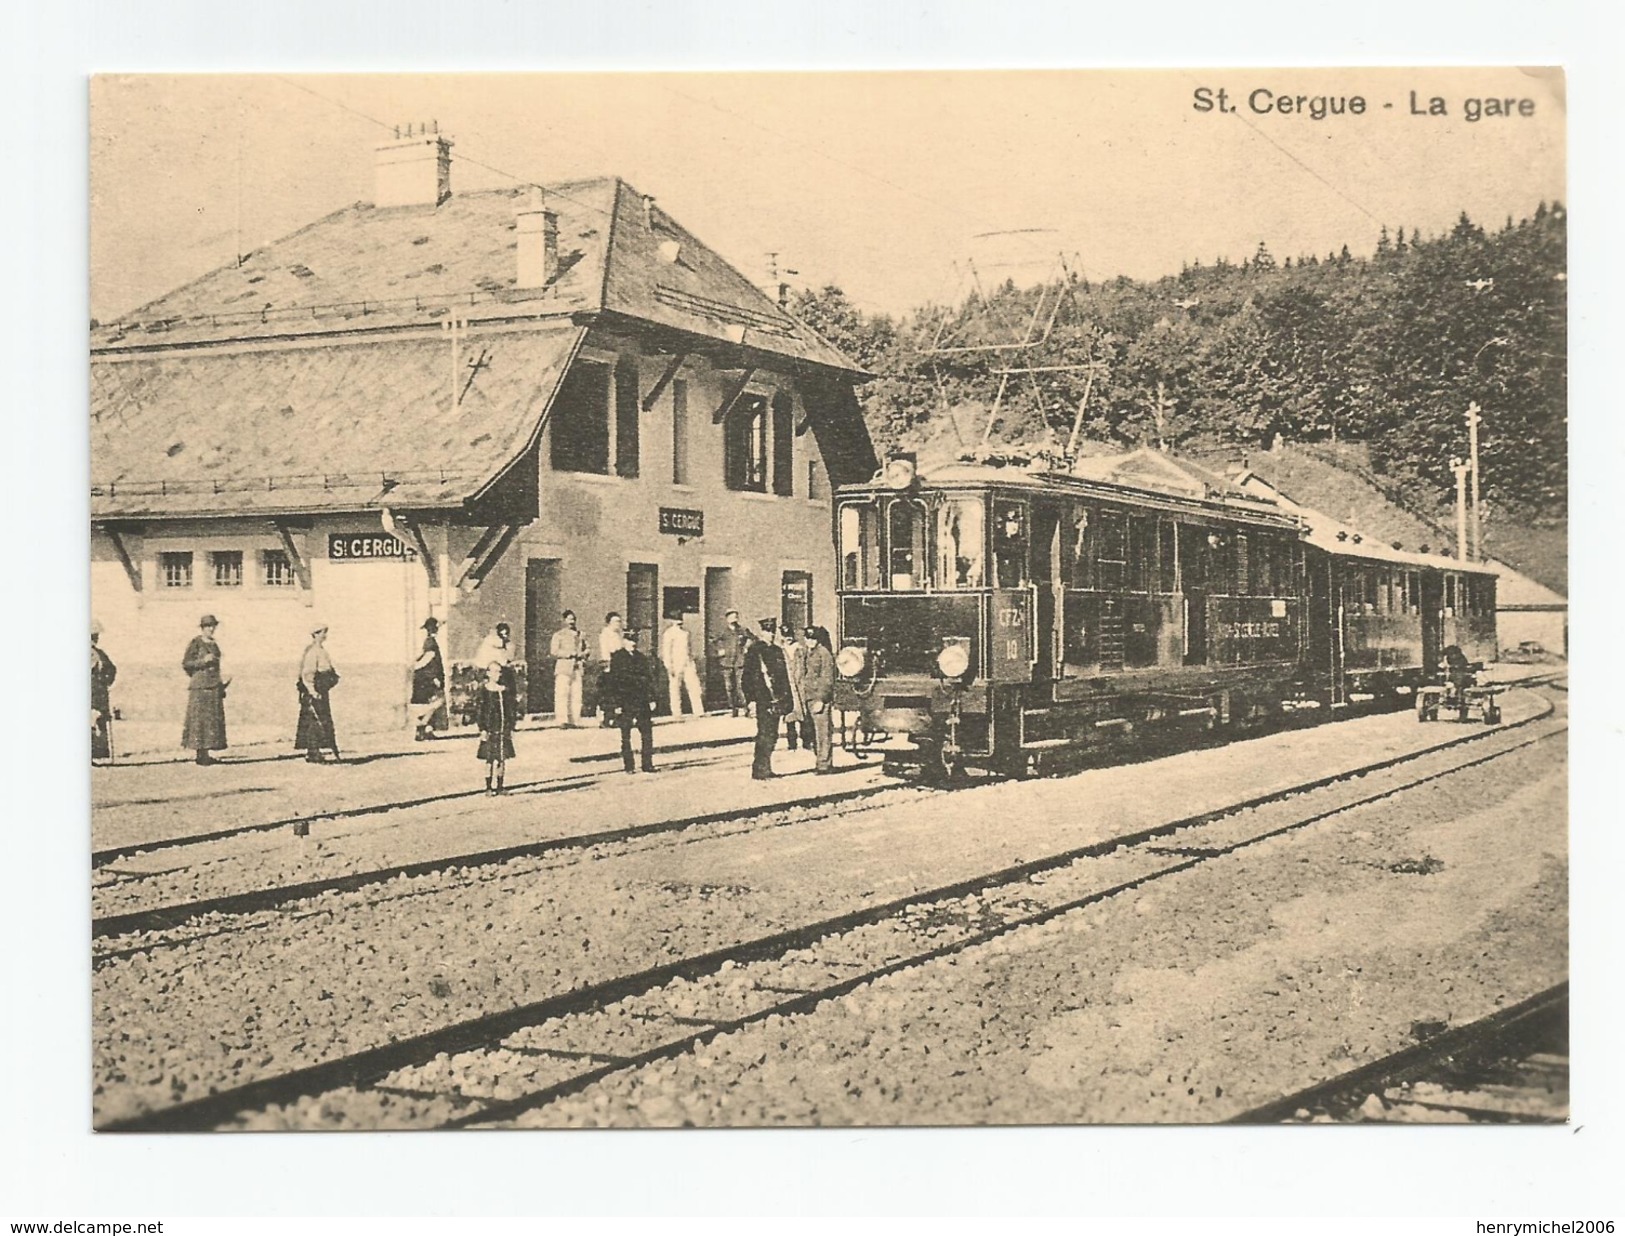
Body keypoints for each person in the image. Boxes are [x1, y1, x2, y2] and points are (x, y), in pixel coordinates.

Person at [741, 617, 793, 779]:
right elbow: (746, 678)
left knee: (773, 734)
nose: (770, 634)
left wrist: (786, 698)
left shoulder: (777, 650)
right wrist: (751, 700)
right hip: (762, 698)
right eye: (767, 631)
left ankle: (767, 767)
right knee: (764, 734)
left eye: (772, 631)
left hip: (776, 698)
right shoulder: (755, 650)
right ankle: (759, 769)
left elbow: (784, 677)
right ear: (762, 632)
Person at [605, 625, 660, 773]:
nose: (633, 643)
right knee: (626, 734)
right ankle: (629, 765)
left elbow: (648, 680)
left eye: (635, 639)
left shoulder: (641, 658)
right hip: (625, 700)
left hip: (641, 700)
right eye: (629, 640)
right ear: (624, 641)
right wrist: (616, 704)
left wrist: (652, 699)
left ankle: (647, 764)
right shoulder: (617, 658)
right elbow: (613, 683)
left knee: (647, 733)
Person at [181, 615, 229, 765]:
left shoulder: (214, 645)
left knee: (210, 722)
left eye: (213, 626)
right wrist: (202, 662)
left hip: (213, 686)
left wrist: (221, 684)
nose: (211, 629)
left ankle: (206, 753)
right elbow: (186, 663)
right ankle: (200, 754)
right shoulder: (196, 643)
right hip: (200, 688)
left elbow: (217, 666)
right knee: (199, 722)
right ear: (202, 628)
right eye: (208, 626)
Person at [295, 624, 341, 763]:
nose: (324, 635)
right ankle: (313, 752)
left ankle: (314, 752)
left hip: (321, 689)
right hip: (315, 689)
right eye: (322, 633)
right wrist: (312, 690)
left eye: (325, 633)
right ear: (315, 635)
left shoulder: (321, 650)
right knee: (314, 721)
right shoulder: (312, 652)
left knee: (320, 720)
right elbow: (308, 673)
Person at [474, 661, 516, 795]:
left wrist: (511, 727)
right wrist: (482, 729)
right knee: (489, 759)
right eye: (494, 671)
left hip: (503, 728)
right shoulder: (484, 690)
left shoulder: (504, 691)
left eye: (499, 672)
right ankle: (488, 787)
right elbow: (480, 711)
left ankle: (500, 786)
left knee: (502, 758)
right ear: (488, 673)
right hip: (490, 729)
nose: (497, 674)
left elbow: (510, 710)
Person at [802, 625, 837, 774]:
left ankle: (824, 765)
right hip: (807, 697)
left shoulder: (824, 654)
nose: (810, 641)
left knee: (823, 733)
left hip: (818, 698)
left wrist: (821, 699)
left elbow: (828, 679)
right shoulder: (806, 652)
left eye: (813, 638)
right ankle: (820, 760)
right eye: (808, 638)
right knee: (811, 733)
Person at [660, 614, 705, 718]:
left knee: (694, 686)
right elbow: (666, 651)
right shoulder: (668, 633)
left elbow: (689, 648)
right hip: (675, 663)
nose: (679, 621)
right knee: (675, 687)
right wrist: (669, 665)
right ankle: (676, 712)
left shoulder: (686, 633)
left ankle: (698, 710)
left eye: (680, 619)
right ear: (672, 621)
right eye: (676, 619)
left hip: (687, 662)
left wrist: (692, 661)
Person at [549, 610, 589, 727]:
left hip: (577, 667)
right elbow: (554, 651)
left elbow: (588, 648)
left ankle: (575, 720)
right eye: (569, 619)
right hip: (564, 667)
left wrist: (583, 653)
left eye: (573, 619)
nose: (571, 622)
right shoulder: (558, 635)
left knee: (576, 694)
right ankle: (562, 720)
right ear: (564, 620)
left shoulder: (581, 634)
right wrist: (569, 653)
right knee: (562, 694)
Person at [410, 617, 446, 741]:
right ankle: (423, 727)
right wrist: (433, 677)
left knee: (427, 704)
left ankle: (426, 730)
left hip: (425, 677)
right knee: (435, 703)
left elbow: (421, 655)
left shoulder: (428, 641)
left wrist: (414, 664)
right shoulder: (431, 642)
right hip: (429, 677)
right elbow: (428, 658)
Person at [715, 609, 753, 717]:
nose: (734, 619)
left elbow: (752, 638)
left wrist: (746, 647)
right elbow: (713, 641)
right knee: (729, 687)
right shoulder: (723, 631)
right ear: (727, 619)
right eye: (732, 617)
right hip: (727, 663)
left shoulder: (742, 630)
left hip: (740, 662)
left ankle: (746, 709)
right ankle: (733, 709)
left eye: (736, 616)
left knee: (741, 686)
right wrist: (720, 649)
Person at [91, 620, 117, 764]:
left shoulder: (99, 653)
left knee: (97, 721)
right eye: (94, 636)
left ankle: (96, 754)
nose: (95, 638)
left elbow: (111, 669)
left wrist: (106, 680)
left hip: (99, 691)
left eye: (95, 636)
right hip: (91, 692)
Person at [781, 623, 810, 752]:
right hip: (787, 687)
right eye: (785, 636)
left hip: (801, 685)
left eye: (790, 636)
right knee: (789, 715)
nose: (788, 639)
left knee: (804, 714)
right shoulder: (780, 650)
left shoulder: (801, 649)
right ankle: (791, 742)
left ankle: (806, 741)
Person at [596, 612, 625, 727]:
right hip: (610, 665)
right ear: (609, 623)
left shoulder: (618, 634)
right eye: (615, 621)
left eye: (619, 621)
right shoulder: (605, 634)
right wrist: (607, 665)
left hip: (619, 665)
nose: (618, 624)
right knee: (608, 694)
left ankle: (617, 718)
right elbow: (605, 650)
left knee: (619, 693)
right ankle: (606, 719)